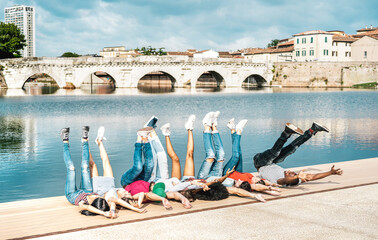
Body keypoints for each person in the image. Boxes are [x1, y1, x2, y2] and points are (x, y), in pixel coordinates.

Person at [160, 113, 266, 202]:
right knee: (219, 155)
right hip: (203, 178)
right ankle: (207, 126)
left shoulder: (185, 190)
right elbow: (234, 189)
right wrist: (256, 195)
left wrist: (184, 199)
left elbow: (176, 194)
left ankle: (170, 133)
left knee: (182, 157)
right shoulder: (203, 187)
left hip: (185, 179)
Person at [254, 122, 343, 186]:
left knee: (275, 153)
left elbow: (285, 180)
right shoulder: (295, 179)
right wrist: (330, 172)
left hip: (260, 162)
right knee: (292, 148)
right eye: (292, 173)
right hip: (273, 162)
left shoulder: (278, 180)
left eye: (291, 174)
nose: (289, 171)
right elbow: (312, 177)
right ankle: (312, 130)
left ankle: (286, 133)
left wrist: (296, 177)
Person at [89, 126, 146, 215]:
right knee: (106, 161)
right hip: (110, 184)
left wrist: (136, 210)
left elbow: (117, 203)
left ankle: (85, 145)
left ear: (123, 198)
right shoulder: (121, 193)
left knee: (93, 166)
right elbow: (142, 193)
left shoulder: (112, 199)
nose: (127, 192)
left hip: (99, 189)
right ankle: (99, 141)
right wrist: (138, 204)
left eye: (126, 194)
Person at [60, 126, 113, 218]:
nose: (96, 196)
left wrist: (103, 213)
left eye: (96, 198)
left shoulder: (84, 203)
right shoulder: (98, 197)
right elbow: (113, 202)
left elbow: (86, 207)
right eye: (98, 197)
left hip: (72, 194)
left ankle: (65, 141)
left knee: (71, 169)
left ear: (94, 203)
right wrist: (111, 210)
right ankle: (85, 139)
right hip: (86, 189)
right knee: (85, 167)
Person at [120, 127, 172, 209]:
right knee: (150, 164)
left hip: (127, 182)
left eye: (155, 186)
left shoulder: (146, 193)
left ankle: (138, 139)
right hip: (142, 179)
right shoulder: (148, 183)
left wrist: (161, 199)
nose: (155, 184)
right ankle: (145, 139)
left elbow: (144, 195)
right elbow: (174, 194)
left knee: (138, 168)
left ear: (152, 191)